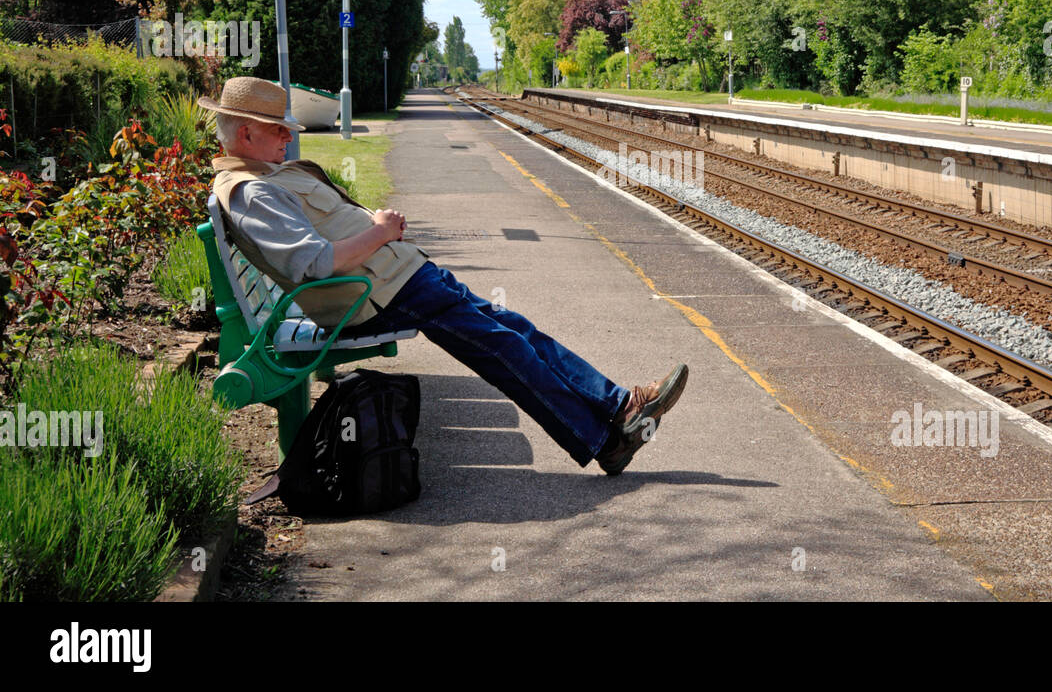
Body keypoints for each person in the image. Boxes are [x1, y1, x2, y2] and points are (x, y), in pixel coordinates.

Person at [199, 77, 687, 475]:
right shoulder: (252, 194)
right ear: (246, 134)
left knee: (513, 329)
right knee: (504, 347)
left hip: (396, 278)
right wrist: (381, 231)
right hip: (377, 294)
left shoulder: (266, 177)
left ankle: (620, 404)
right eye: (279, 130)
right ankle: (607, 438)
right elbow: (316, 264)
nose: (289, 136)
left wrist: (378, 232)